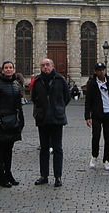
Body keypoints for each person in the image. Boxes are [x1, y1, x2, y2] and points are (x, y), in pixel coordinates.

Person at [31, 58, 71, 188]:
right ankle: (44, 175)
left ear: (52, 66)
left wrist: (58, 107)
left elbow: (67, 97)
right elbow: (34, 98)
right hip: (42, 118)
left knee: (58, 148)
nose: (45, 67)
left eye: (47, 65)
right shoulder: (37, 81)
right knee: (44, 149)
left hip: (56, 118)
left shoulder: (60, 80)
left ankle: (58, 176)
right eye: (42, 65)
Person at [0, 61, 25, 188]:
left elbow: (19, 105)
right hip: (1, 120)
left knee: (9, 149)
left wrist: (21, 119)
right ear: (3, 70)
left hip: (13, 121)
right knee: (1, 149)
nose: (9, 70)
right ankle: (1, 175)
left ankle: (8, 173)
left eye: (11, 68)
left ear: (14, 70)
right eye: (6, 68)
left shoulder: (16, 84)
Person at [84, 62, 109, 171]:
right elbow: (88, 101)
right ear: (96, 72)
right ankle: (94, 156)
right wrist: (87, 116)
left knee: (108, 137)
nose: (101, 72)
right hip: (97, 114)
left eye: (103, 70)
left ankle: (106, 160)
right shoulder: (92, 83)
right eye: (99, 70)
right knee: (96, 136)